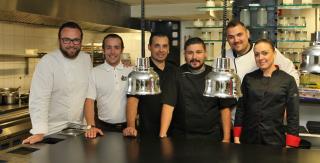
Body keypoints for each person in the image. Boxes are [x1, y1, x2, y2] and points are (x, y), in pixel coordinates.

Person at [22, 22, 92, 144]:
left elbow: (90, 91)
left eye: (76, 40)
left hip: (79, 129)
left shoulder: (86, 59)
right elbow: (39, 98)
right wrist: (39, 132)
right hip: (52, 131)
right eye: (66, 40)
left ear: (81, 41)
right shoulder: (48, 62)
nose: (71, 45)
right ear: (59, 40)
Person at [159, 37, 237, 141]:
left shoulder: (216, 75)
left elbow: (225, 108)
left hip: (211, 137)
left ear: (205, 53)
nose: (194, 57)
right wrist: (162, 135)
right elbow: (168, 106)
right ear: (185, 55)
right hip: (182, 137)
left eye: (199, 52)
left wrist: (226, 139)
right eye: (190, 53)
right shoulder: (176, 74)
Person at [233, 39, 300, 148]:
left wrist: (291, 144)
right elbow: (241, 109)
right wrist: (236, 136)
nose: (260, 58)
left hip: (275, 140)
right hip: (248, 139)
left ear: (274, 53)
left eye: (265, 53)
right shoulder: (249, 78)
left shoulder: (287, 80)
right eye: (257, 54)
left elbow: (293, 115)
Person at [122, 33, 178, 137]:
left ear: (169, 48)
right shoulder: (141, 71)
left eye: (164, 46)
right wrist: (131, 126)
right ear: (149, 47)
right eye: (157, 46)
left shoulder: (174, 69)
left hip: (173, 132)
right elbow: (132, 100)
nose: (161, 50)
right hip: (147, 131)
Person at [84, 34, 132, 138]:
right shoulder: (95, 72)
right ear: (103, 50)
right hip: (103, 129)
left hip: (128, 128)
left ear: (122, 50)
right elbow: (89, 101)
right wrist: (91, 126)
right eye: (108, 47)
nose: (112, 52)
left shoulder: (131, 71)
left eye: (116, 47)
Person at [225, 19, 299, 85]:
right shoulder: (223, 57)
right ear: (227, 39)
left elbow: (291, 73)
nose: (236, 40)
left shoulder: (264, 50)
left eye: (239, 35)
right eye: (231, 37)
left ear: (247, 34)